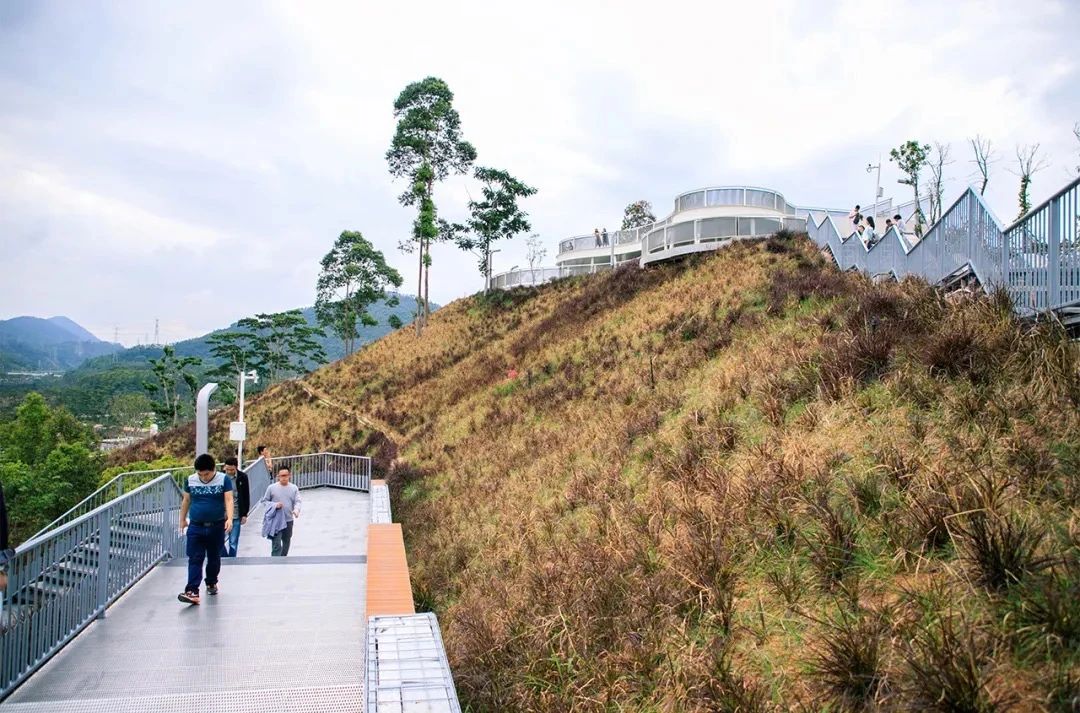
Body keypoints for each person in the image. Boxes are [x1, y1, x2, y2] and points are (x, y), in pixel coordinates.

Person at [178, 453, 234, 605]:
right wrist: (182, 519)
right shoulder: (190, 480)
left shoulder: (224, 479)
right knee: (195, 558)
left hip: (216, 525)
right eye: (200, 474)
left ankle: (211, 581)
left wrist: (229, 518)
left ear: (213, 469)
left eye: (207, 474)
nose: (203, 477)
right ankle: (192, 591)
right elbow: (186, 500)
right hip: (196, 526)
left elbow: (228, 499)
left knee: (214, 557)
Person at [259, 466, 302, 557]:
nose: (284, 478)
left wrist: (296, 510)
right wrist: (274, 505)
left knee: (286, 542)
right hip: (276, 521)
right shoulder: (271, 488)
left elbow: (298, 501)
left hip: (288, 520)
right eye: (281, 475)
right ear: (278, 476)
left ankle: (282, 560)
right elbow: (264, 502)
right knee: (276, 544)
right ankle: (275, 562)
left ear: (289, 475)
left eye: (286, 475)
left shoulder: (294, 488)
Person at [220, 457, 250, 557]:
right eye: (227, 469)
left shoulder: (242, 477)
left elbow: (246, 496)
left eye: (232, 470)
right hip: (221, 514)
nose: (229, 471)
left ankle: (232, 561)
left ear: (236, 468)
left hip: (236, 514)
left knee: (233, 542)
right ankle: (224, 558)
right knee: (218, 540)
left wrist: (245, 514)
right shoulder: (219, 477)